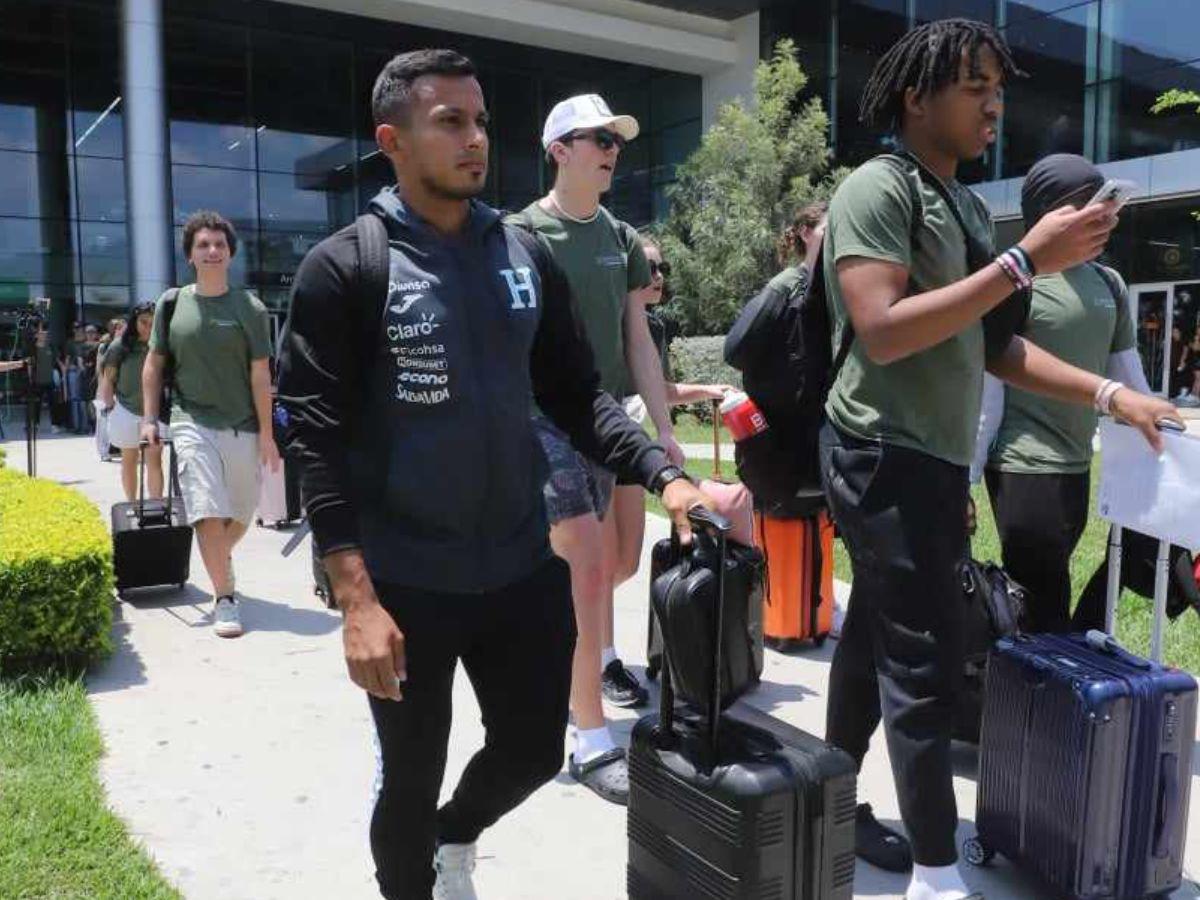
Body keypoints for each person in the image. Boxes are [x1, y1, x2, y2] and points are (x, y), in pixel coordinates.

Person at [275, 49, 710, 900]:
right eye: (451, 122)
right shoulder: (346, 267)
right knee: (408, 774)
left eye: (481, 122)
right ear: (391, 140)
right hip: (406, 582)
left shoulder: (519, 253)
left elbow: (578, 395)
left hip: (518, 563)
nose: (476, 140)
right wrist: (356, 599)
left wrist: (664, 474)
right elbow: (314, 441)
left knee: (533, 750)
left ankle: (455, 835)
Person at [819, 19, 1180, 900]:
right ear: (918, 95)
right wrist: (1025, 260)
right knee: (920, 662)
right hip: (878, 450)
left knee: (876, 638)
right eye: (976, 85)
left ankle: (829, 800)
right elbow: (882, 326)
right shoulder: (877, 188)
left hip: (934, 460)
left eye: (998, 88)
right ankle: (938, 875)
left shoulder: (964, 206)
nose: (994, 103)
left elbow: (997, 349)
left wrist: (1109, 394)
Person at [509, 93, 687, 805]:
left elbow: (635, 335)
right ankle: (588, 736)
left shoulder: (621, 235)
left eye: (616, 138)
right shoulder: (520, 233)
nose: (612, 148)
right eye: (596, 138)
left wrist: (664, 426)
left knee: (616, 561)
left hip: (605, 418)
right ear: (558, 150)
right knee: (585, 562)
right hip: (541, 417)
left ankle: (560, 652)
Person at [972, 154, 1155, 634]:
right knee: (1042, 605)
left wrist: (1167, 431)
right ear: (1052, 213)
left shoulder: (1109, 284)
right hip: (1022, 465)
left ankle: (1051, 687)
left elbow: (1131, 380)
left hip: (1077, 466)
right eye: (1092, 207)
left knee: (1076, 596)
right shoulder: (1016, 278)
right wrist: (963, 479)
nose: (1106, 219)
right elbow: (988, 389)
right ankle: (1031, 701)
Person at [141, 210, 279, 639]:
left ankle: (218, 560)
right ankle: (225, 598)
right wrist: (149, 419)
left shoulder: (250, 307)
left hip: (242, 426)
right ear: (191, 256)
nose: (212, 250)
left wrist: (268, 436)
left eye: (219, 244)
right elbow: (154, 364)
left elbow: (261, 374)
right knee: (205, 510)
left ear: (231, 253)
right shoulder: (172, 304)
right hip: (191, 421)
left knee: (239, 513)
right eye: (203, 244)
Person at [609, 234, 734, 589]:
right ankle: (595, 642)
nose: (659, 276)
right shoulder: (608, 322)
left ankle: (585, 626)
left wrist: (707, 390)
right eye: (649, 268)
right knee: (597, 562)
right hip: (597, 442)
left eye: (662, 267)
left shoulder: (654, 326)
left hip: (630, 448)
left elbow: (657, 390)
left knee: (626, 562)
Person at [99, 301, 164, 502]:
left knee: (154, 461)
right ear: (134, 322)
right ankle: (132, 505)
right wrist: (110, 407)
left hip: (153, 413)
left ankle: (156, 506)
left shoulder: (162, 346)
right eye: (144, 322)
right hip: (125, 410)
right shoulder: (119, 346)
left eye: (153, 323)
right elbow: (108, 379)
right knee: (129, 460)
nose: (148, 327)